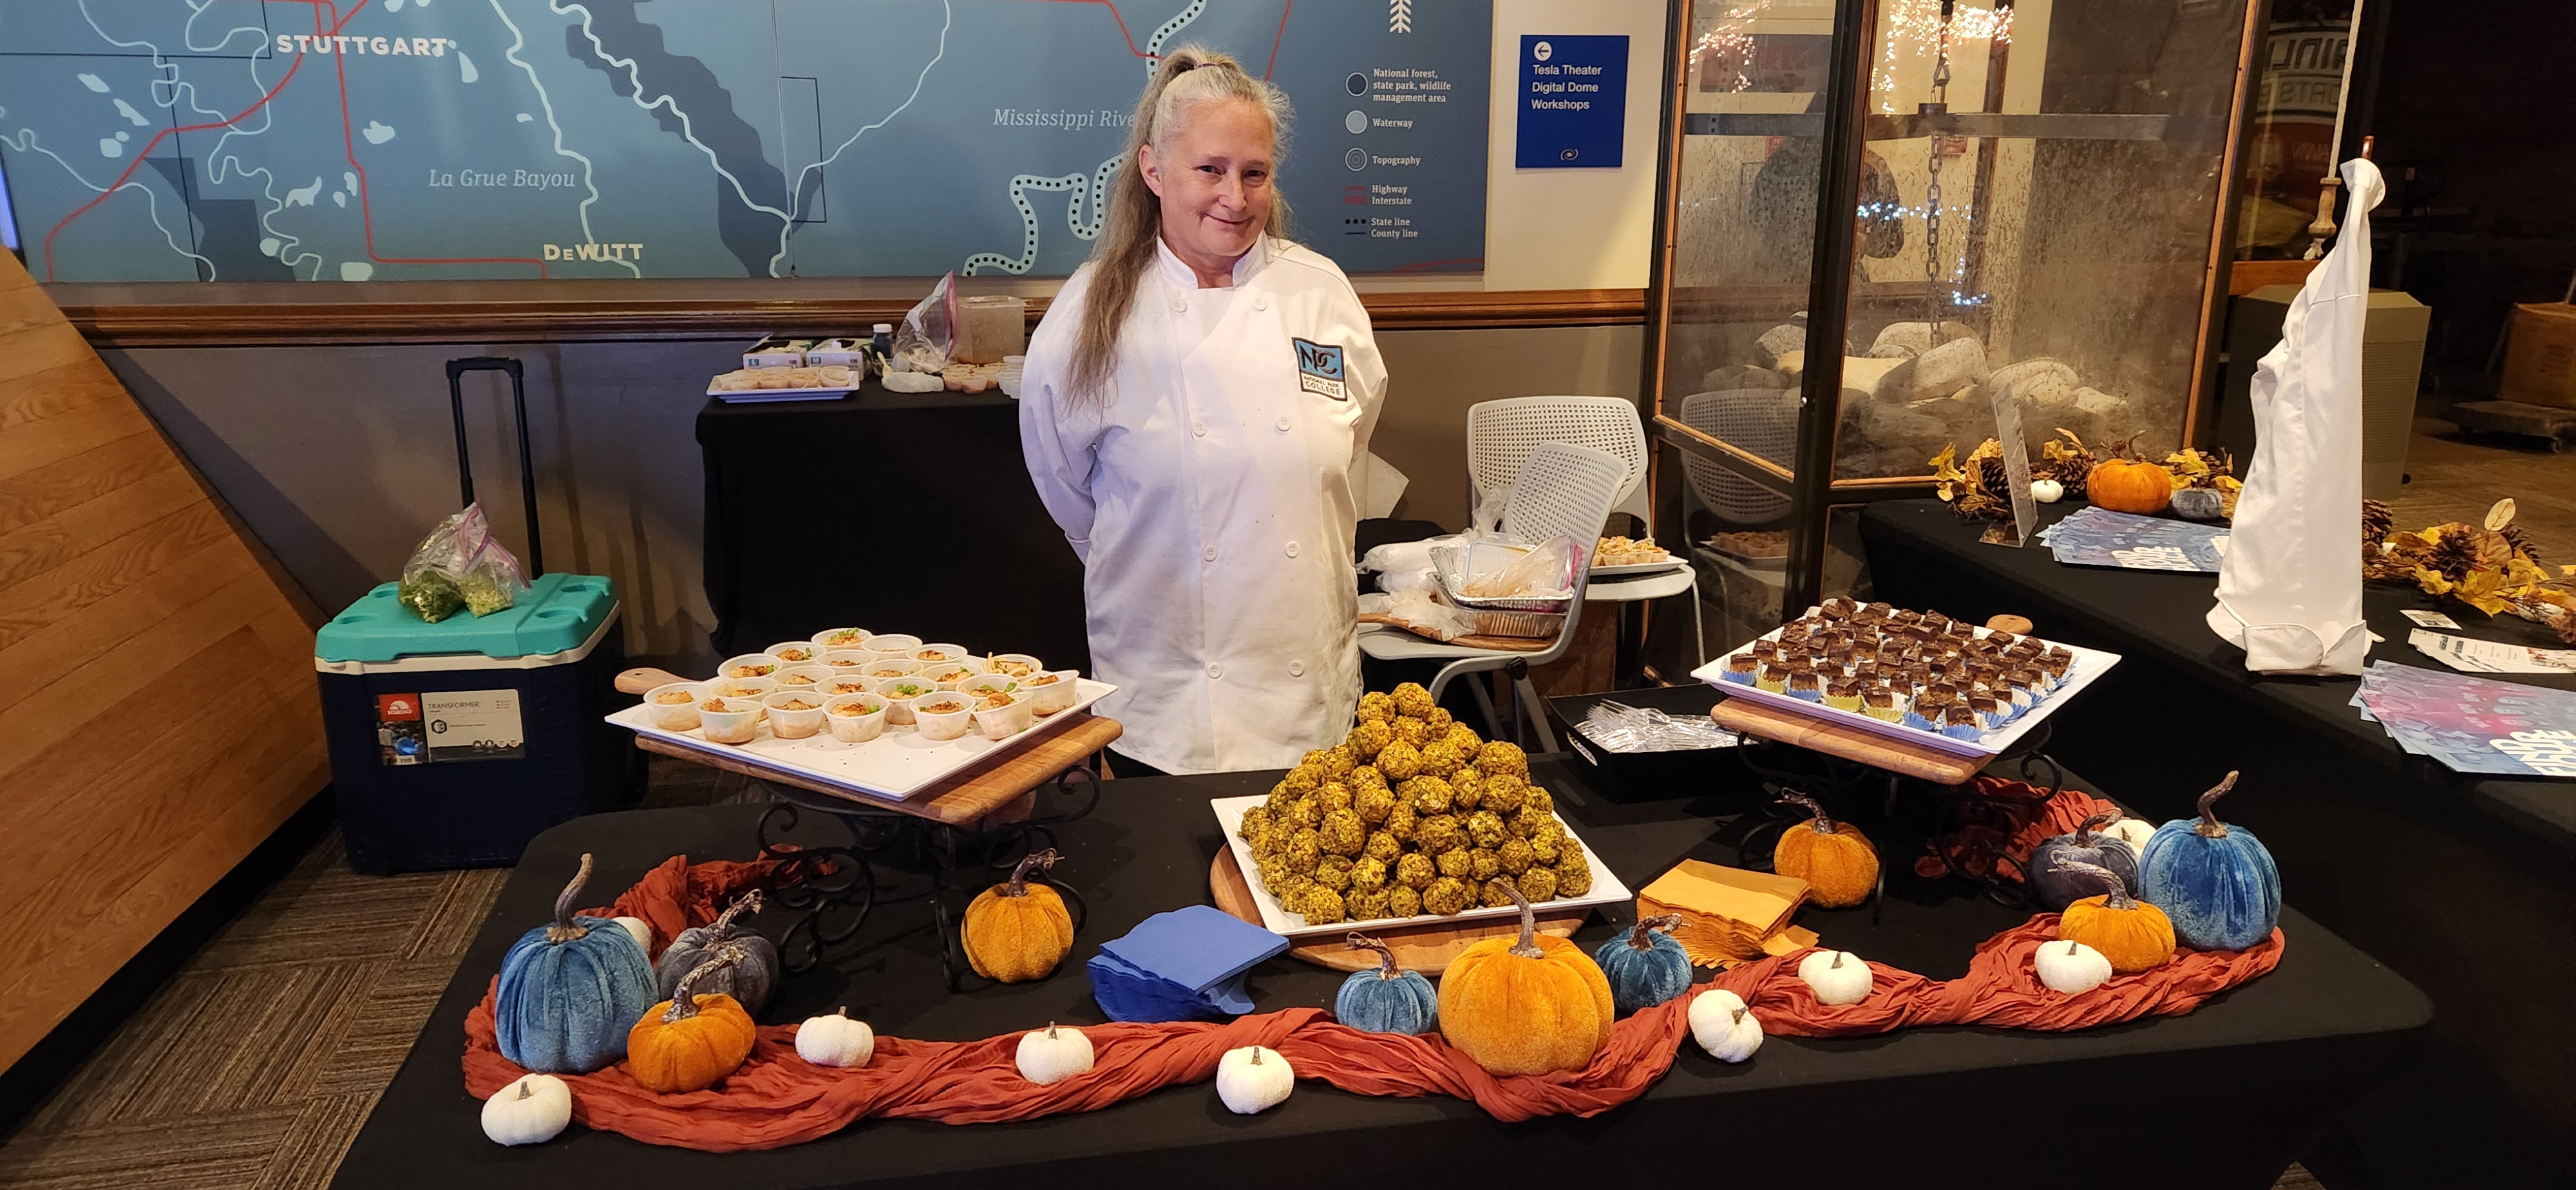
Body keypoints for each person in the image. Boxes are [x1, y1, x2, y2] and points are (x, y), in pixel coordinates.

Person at [1019, 46, 1387, 777]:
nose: (1236, 196)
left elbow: (1342, 457)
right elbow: (1064, 488)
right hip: (1166, 698)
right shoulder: (1091, 312)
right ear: (1154, 171)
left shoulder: (1321, 294)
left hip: (1306, 692)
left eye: (1254, 173)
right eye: (1210, 170)